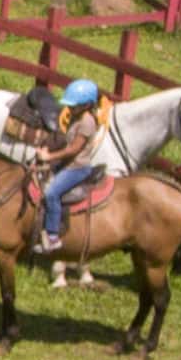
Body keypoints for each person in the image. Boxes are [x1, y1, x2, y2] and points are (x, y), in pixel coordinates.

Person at [29, 79, 107, 255]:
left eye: (74, 106)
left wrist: (49, 157)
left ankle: (53, 237)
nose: (70, 109)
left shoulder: (87, 122)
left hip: (77, 168)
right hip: (68, 164)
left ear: (87, 104)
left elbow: (73, 150)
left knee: (52, 193)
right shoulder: (76, 116)